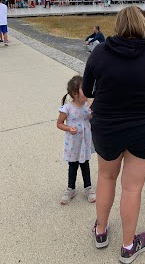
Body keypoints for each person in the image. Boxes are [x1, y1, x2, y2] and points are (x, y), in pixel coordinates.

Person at [82, 6, 145, 262]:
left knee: (106, 178)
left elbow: (87, 89)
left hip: (108, 126)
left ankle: (100, 232)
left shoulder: (100, 52)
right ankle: (129, 247)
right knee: (132, 188)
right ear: (143, 24)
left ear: (118, 24)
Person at [56, 75, 96, 205]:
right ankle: (70, 189)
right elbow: (59, 123)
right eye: (84, 89)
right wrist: (68, 128)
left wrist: (92, 109)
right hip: (73, 143)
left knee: (85, 165)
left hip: (84, 142)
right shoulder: (67, 108)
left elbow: (93, 118)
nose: (88, 91)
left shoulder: (87, 105)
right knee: (73, 166)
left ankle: (88, 188)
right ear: (74, 93)